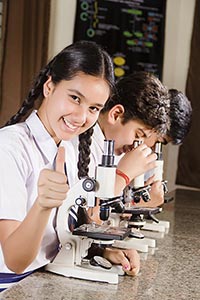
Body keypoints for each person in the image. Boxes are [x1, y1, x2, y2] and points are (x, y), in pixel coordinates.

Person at [0, 40, 140, 292]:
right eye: (75, 98)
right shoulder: (8, 147)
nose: (81, 117)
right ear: (49, 86)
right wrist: (42, 206)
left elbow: (60, 233)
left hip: (44, 280)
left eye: (93, 108)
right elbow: (15, 260)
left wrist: (102, 250)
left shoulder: (70, 147)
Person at [64, 71, 171, 208]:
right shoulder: (74, 146)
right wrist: (123, 175)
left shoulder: (114, 147)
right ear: (116, 114)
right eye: (138, 135)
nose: (136, 146)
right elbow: (89, 218)